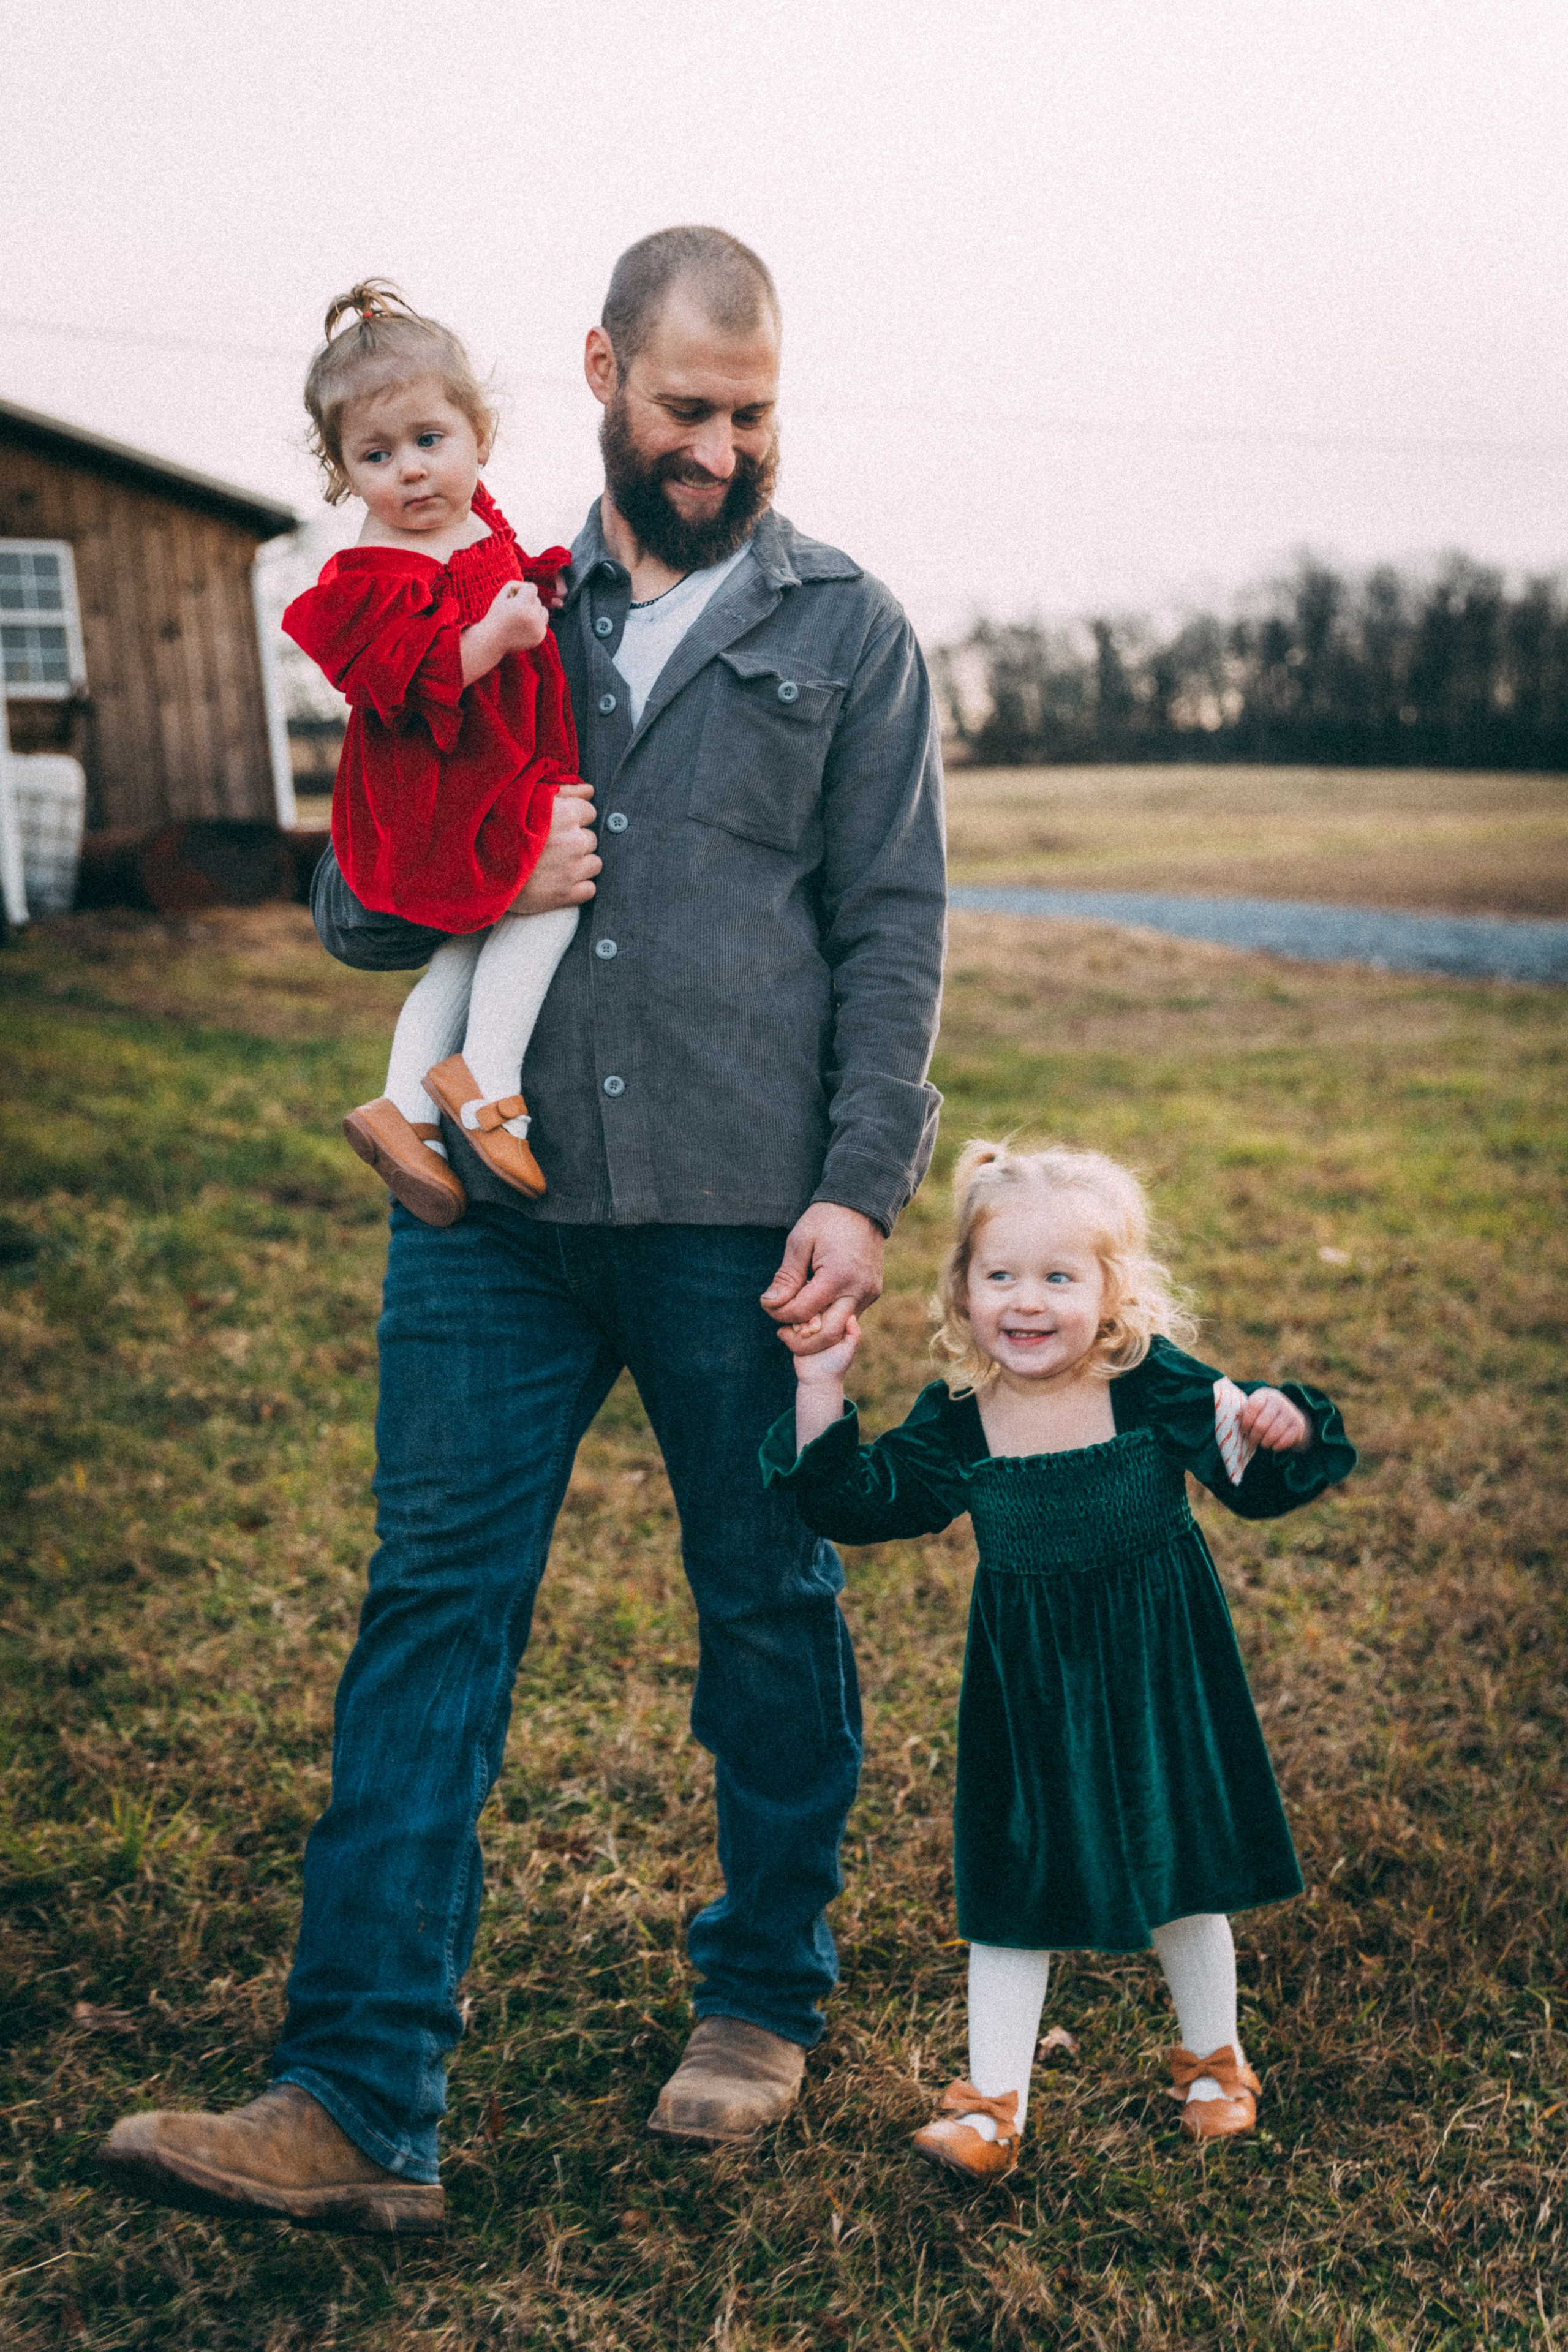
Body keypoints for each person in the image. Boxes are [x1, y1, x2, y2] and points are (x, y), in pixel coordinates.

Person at [98, 227, 947, 2234]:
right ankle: (355, 2101)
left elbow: (893, 927)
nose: (721, 448)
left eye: (751, 412)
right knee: (431, 1617)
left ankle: (760, 2000)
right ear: (594, 373)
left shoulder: (849, 633)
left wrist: (861, 1187)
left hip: (742, 1222)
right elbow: (353, 904)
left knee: (767, 1611)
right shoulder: (467, 595)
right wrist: (488, 861)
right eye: (682, 408)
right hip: (487, 1216)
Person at [764, 1139, 1355, 2183]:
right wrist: (819, 1380)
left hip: (1159, 1668)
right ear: (962, 1289)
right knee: (1015, 1875)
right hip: (1029, 1687)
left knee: (1181, 1866)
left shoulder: (1154, 1386)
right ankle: (992, 2106)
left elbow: (1254, 1480)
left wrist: (1286, 1423)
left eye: (1058, 1278)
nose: (1025, 1303)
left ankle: (1215, 2060)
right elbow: (853, 1502)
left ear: (1115, 1292)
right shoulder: (961, 1422)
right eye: (1000, 1277)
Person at [281, 281, 580, 1225]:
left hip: (489, 766)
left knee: (461, 951)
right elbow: (404, 678)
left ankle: (405, 1105)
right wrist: (496, 638)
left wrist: (535, 587)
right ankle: (489, 1090)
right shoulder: (372, 571)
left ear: (477, 438)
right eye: (376, 455)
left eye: (429, 442)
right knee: (547, 910)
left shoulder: (471, 517)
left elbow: (497, 576)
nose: (410, 472)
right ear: (343, 475)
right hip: (445, 789)